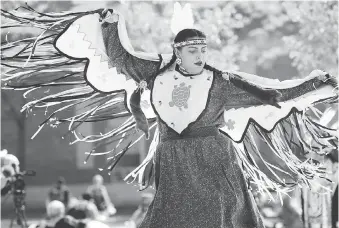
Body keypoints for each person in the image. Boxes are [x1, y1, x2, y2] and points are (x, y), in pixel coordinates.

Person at [1, 4, 338, 228]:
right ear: (178, 52)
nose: (201, 55)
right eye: (194, 50)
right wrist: (110, 23)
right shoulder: (156, 72)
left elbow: (274, 95)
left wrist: (312, 83)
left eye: (204, 50)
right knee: (171, 217)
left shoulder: (220, 82)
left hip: (215, 158)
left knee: (220, 213)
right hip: (174, 157)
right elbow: (122, 58)